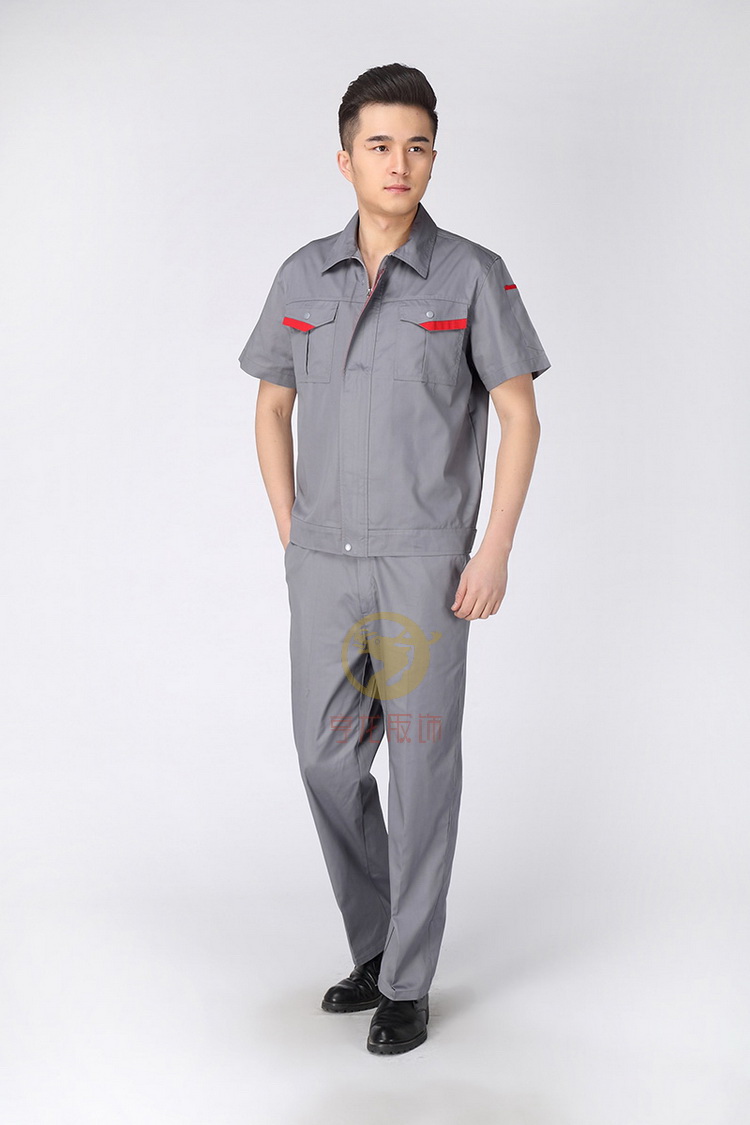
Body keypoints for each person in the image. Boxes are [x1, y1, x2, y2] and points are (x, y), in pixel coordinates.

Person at [238, 63, 551, 1055]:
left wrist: (493, 549)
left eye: (417, 145)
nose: (399, 163)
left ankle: (406, 982)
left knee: (420, 770)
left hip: (425, 567)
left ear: (432, 157)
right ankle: (377, 945)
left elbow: (518, 415)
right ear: (345, 160)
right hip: (324, 563)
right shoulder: (303, 276)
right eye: (379, 145)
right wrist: (290, 526)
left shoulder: (471, 274)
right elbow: (271, 405)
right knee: (325, 760)